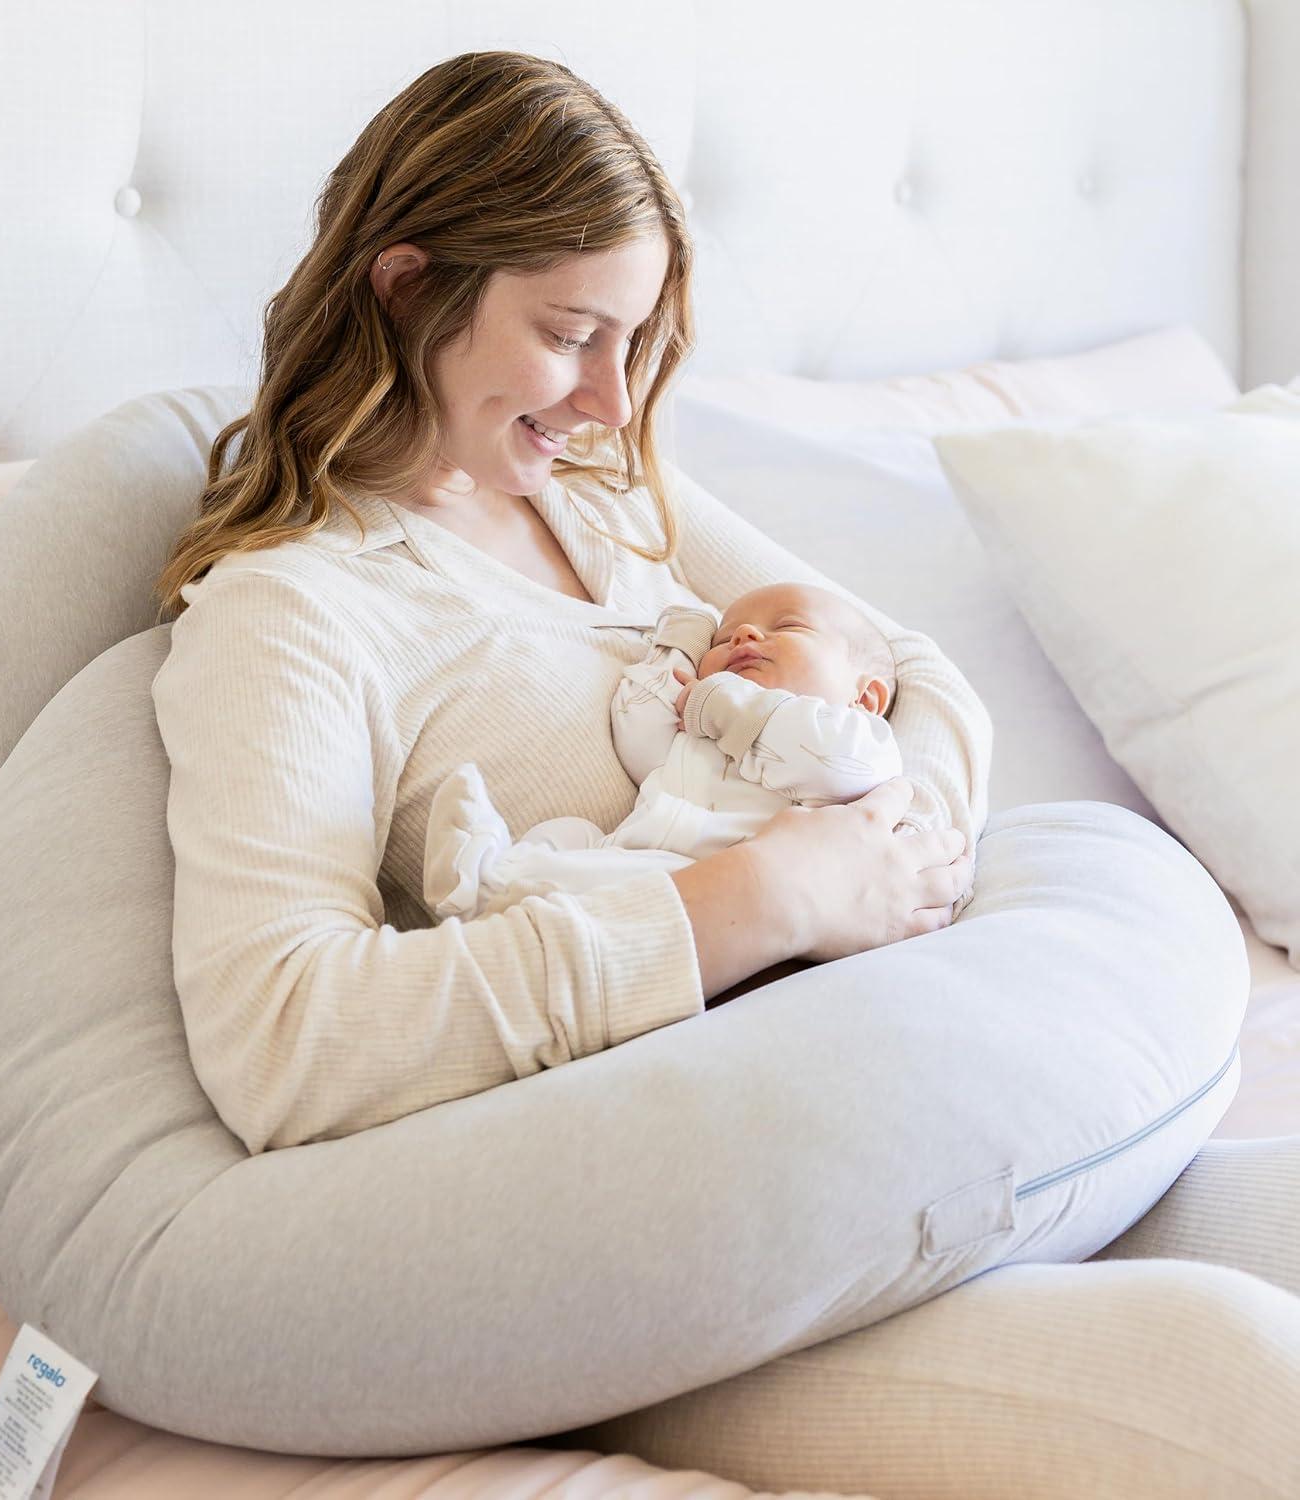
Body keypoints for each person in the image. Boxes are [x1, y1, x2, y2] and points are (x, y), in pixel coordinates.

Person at [150, 48, 1300, 1495]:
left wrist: (888, 860)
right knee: (1236, 1385)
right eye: (571, 334)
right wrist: (763, 898)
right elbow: (285, 1040)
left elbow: (908, 670)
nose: (610, 396)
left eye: (635, 340)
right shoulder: (295, 614)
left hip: (874, 1095)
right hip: (667, 1228)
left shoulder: (605, 500)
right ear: (404, 287)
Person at [422, 582, 907, 922]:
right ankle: (494, 879)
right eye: (723, 639)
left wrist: (721, 704)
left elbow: (835, 765)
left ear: (865, 697)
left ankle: (494, 890)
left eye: (789, 626)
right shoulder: (699, 726)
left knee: (602, 883)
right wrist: (680, 646)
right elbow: (635, 722)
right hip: (637, 852)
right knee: (572, 833)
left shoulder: (863, 742)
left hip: (719, 882)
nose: (743, 635)